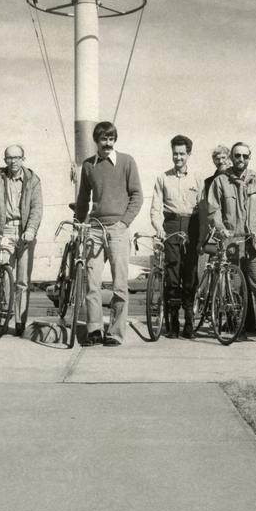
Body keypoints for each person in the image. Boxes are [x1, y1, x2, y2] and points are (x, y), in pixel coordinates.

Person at [74, 121, 143, 346]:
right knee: (92, 282)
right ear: (96, 141)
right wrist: (79, 225)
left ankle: (115, 332)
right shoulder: (88, 166)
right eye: (103, 139)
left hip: (118, 230)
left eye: (111, 139)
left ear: (115, 140)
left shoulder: (127, 162)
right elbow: (83, 200)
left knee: (120, 284)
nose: (107, 143)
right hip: (94, 229)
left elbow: (136, 196)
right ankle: (94, 329)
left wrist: (124, 223)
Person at [206, 142, 256, 344]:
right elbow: (213, 210)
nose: (241, 159)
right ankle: (238, 327)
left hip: (254, 243)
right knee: (234, 287)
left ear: (249, 157)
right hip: (232, 242)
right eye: (237, 155)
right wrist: (221, 229)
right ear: (232, 157)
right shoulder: (220, 182)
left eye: (245, 156)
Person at [0, 144, 44, 337]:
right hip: (4, 229)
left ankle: (20, 321)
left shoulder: (33, 180)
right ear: (5, 160)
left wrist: (30, 230)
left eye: (16, 157)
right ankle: (4, 315)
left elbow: (37, 208)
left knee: (22, 280)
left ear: (23, 158)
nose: (13, 161)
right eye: (9, 158)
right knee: (5, 275)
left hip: (25, 232)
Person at [150, 134, 203, 338]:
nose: (178, 157)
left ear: (188, 154)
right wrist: (159, 227)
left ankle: (189, 321)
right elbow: (156, 207)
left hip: (191, 225)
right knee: (172, 274)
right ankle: (172, 323)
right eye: (175, 154)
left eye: (182, 154)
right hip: (171, 224)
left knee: (189, 275)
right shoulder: (163, 178)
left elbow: (204, 207)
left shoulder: (197, 178)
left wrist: (201, 233)